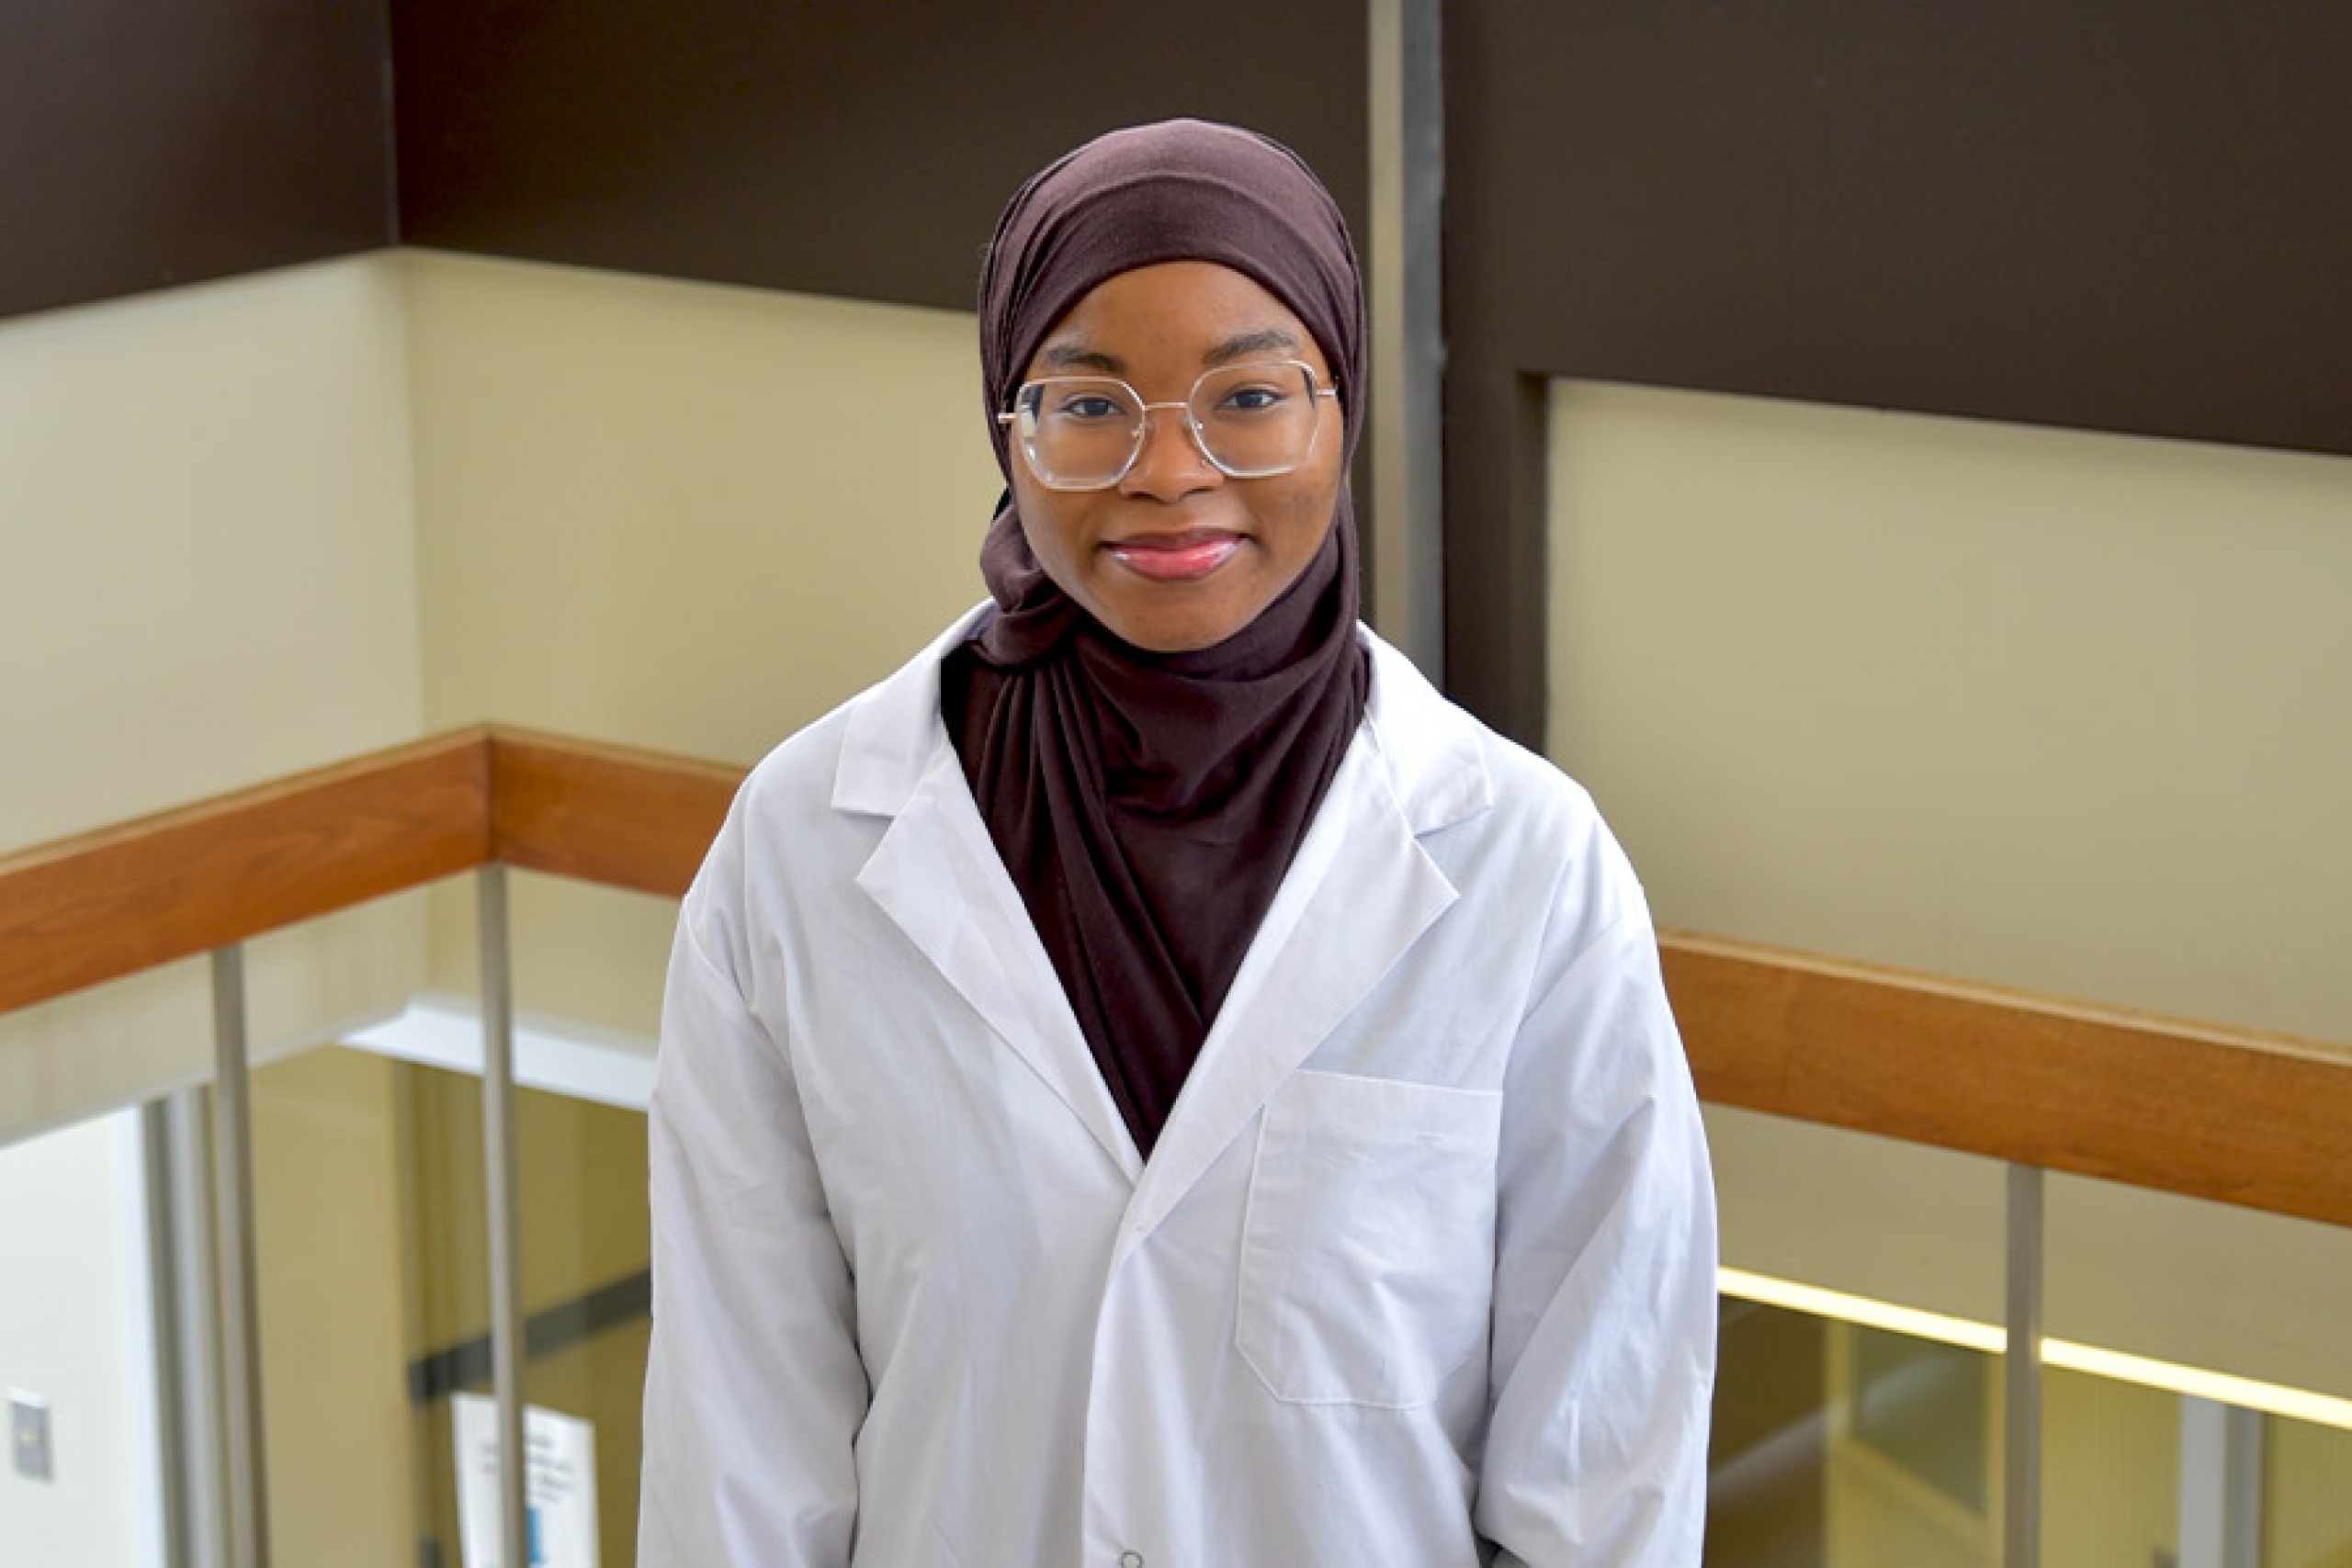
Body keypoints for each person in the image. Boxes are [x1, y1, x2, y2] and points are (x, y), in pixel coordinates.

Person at [638, 119, 1716, 1565]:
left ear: (1342, 412)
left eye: (1249, 396)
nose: (1168, 472)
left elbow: (1604, 1473)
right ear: (1005, 429)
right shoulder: (800, 849)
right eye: (1088, 406)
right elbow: (740, 1442)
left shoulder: (1529, 869)